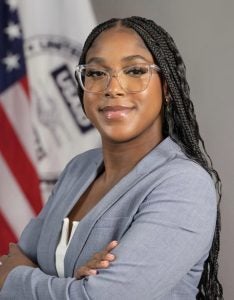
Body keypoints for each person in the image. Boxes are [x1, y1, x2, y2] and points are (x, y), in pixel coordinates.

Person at [0, 16, 223, 299]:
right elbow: (16, 254)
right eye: (96, 73)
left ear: (166, 88)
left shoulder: (184, 185)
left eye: (134, 70)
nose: (113, 88)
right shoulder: (78, 169)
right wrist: (74, 284)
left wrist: (14, 278)